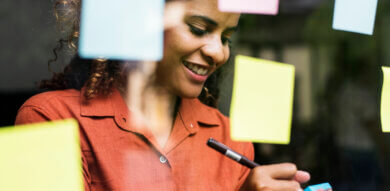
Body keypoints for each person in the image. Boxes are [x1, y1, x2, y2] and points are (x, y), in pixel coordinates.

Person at [15, 0, 310, 190]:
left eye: (226, 37)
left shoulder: (231, 139)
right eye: (198, 29)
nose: (218, 52)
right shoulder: (46, 120)